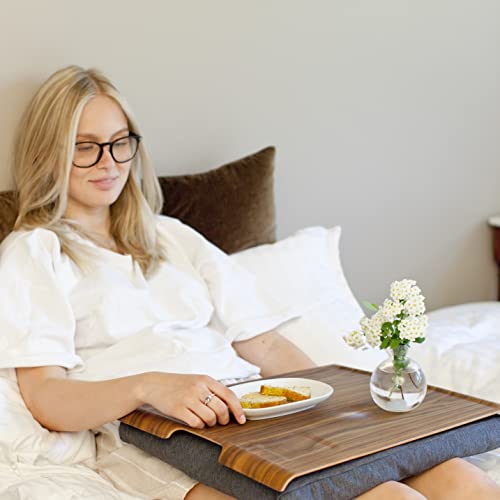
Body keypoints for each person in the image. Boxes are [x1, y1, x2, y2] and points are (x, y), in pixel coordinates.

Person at [0, 65, 498, 500]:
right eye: (86, 148)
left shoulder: (171, 236)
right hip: (159, 435)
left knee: (460, 479)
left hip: (256, 408)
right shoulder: (35, 251)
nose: (109, 162)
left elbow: (264, 343)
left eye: (119, 142)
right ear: (50, 153)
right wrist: (149, 387)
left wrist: (338, 414)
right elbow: (45, 396)